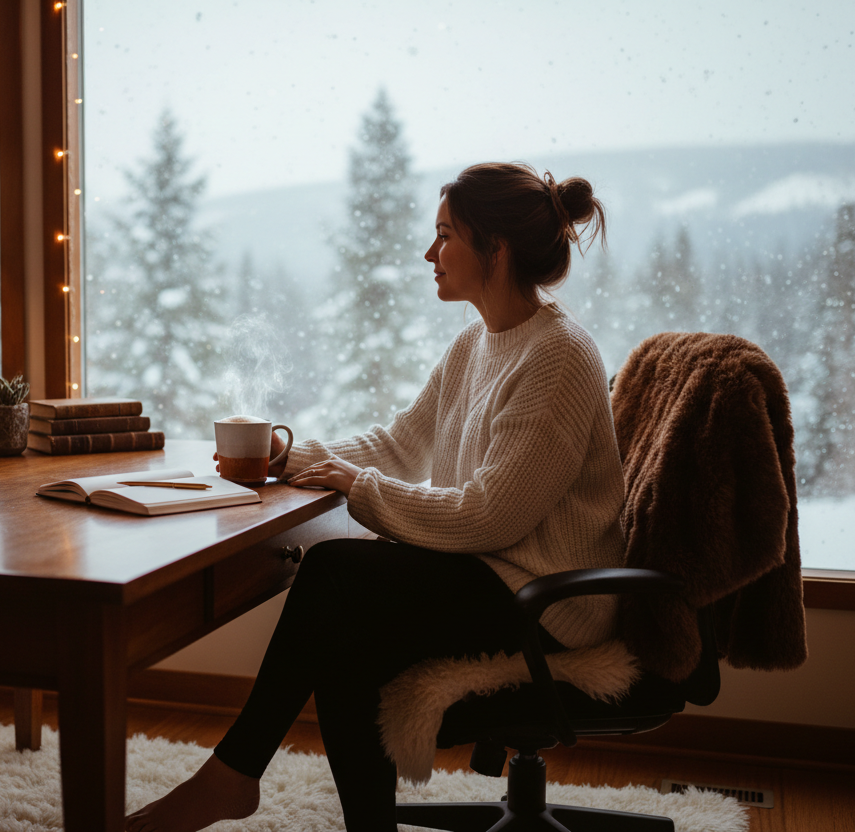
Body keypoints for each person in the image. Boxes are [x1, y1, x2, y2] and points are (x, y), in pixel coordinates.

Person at [125, 162, 627, 832]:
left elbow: (491, 514)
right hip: (498, 576)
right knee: (343, 630)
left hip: (549, 600)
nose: (429, 253)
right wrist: (292, 459)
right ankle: (301, 802)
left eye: (445, 234)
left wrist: (357, 488)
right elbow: (401, 445)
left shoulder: (557, 358)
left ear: (495, 249)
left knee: (335, 576)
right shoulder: (477, 343)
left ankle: (231, 776)